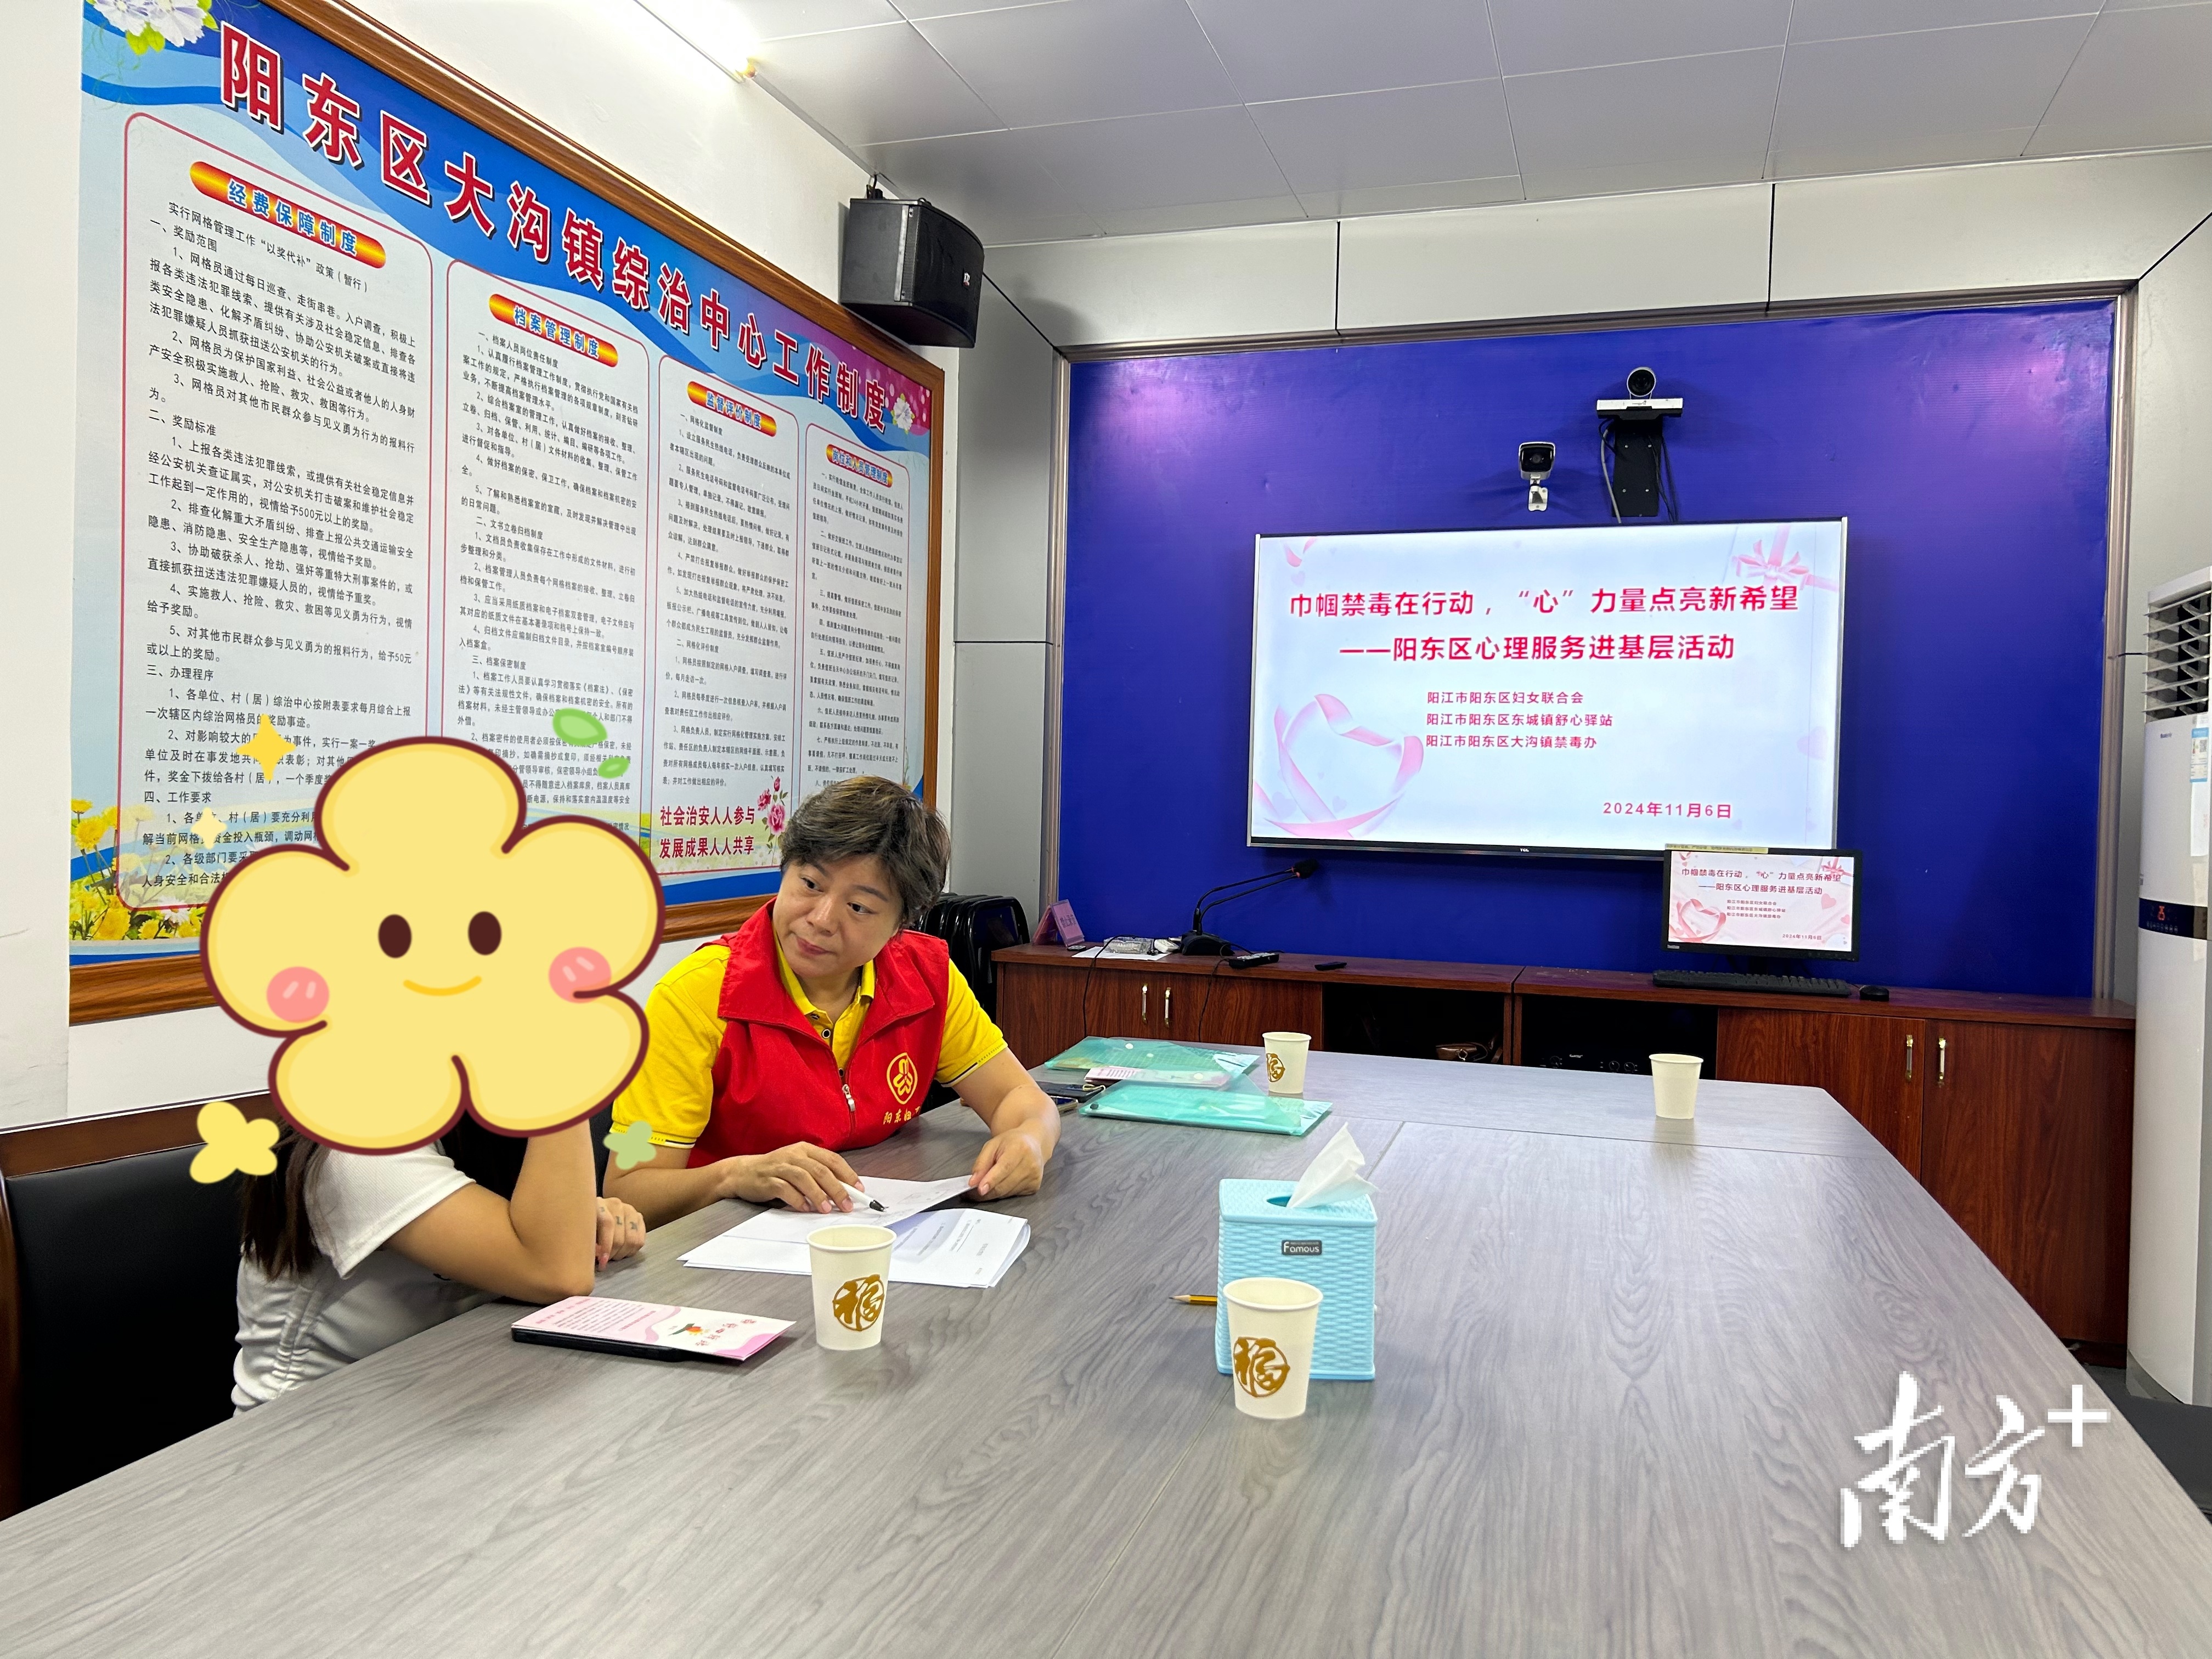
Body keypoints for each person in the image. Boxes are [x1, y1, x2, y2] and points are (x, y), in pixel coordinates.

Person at [603, 775, 1059, 1228]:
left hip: (870, 1231)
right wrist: (734, 1175)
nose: (821, 919)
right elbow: (630, 1189)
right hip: (723, 1246)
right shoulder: (695, 995)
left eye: (859, 907)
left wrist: (1030, 1141)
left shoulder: (926, 976)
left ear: (901, 924)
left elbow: (1020, 1096)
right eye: (810, 884)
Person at [233, 1116, 647, 1412]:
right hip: (312, 1431)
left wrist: (579, 1217)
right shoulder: (356, 1148)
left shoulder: (477, 1127)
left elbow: (536, 1242)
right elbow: (558, 1275)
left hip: (443, 1395)